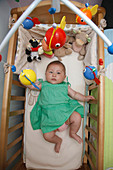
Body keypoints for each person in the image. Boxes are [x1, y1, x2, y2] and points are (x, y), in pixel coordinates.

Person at [23, 61, 95, 153]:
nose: (54, 75)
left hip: (65, 116)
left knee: (76, 117)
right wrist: (24, 80)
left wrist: (85, 98)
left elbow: (75, 94)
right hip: (49, 120)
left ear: (64, 77)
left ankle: (73, 133)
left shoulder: (65, 86)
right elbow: (32, 87)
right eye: (51, 72)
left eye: (58, 73)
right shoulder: (43, 85)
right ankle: (57, 141)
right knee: (47, 136)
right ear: (45, 74)